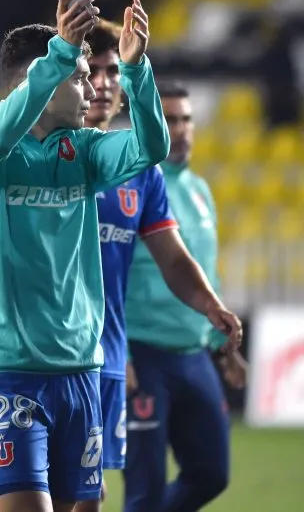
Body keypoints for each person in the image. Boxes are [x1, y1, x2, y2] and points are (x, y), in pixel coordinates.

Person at [0, 0, 168, 512]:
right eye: (78, 77)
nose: (93, 87)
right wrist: (60, 54)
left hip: (80, 368)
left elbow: (151, 147)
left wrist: (137, 70)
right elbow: (5, 129)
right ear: (41, 83)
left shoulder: (86, 152)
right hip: (8, 368)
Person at [75, 25, 242, 512]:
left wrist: (214, 317)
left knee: (96, 493)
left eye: (112, 73)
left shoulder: (163, 181)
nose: (179, 130)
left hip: (166, 351)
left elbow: (176, 257)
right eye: (94, 72)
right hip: (120, 351)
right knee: (68, 492)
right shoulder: (37, 155)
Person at [122, 81, 248, 512]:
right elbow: (106, 271)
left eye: (185, 119)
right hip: (143, 353)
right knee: (145, 488)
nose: (180, 129)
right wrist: (116, 348)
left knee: (212, 473)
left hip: (194, 354)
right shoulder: (134, 182)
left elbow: (205, 272)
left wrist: (223, 348)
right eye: (169, 119)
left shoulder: (199, 190)